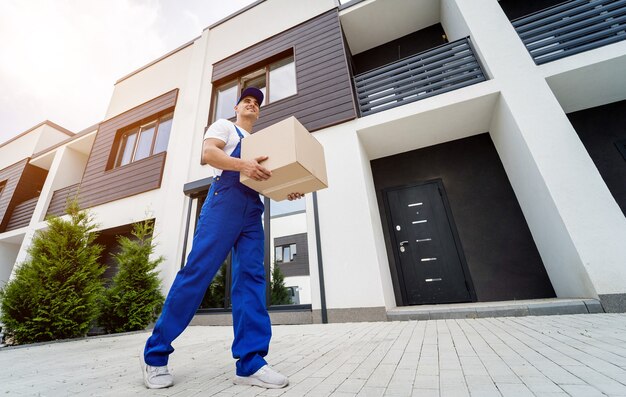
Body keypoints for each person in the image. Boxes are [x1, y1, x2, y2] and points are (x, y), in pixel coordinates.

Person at [140, 87, 302, 390]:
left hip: (253, 210)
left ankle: (250, 363)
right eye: (247, 101)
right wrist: (243, 164)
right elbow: (209, 154)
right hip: (224, 201)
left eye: (256, 103)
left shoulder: (262, 143)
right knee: (197, 274)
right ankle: (156, 354)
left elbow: (269, 179)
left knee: (252, 278)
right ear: (237, 107)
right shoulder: (224, 127)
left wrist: (288, 187)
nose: (252, 104)